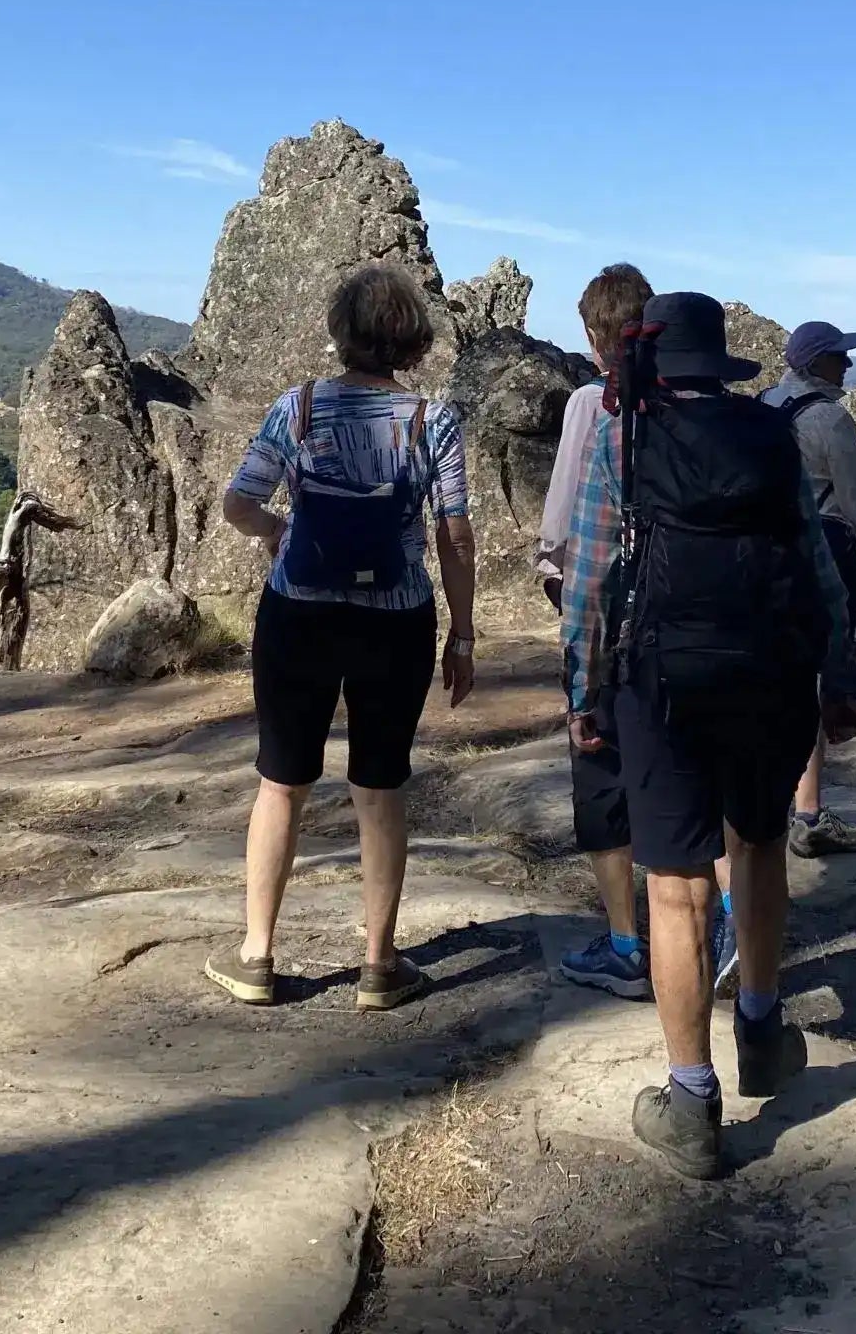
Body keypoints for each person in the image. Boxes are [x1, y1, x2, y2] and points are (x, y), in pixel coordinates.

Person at [560, 291, 850, 1179]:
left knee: (678, 890)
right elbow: (814, 562)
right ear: (721, 368)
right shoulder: (770, 434)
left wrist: (583, 688)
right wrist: (837, 676)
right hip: (768, 678)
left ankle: (691, 1102)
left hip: (663, 686)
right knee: (757, 849)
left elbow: (591, 582)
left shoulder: (621, 436)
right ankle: (760, 1026)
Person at [208, 264, 479, 1012]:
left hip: (299, 614)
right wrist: (461, 635)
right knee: (380, 787)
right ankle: (378, 966)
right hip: (396, 621)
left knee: (282, 782)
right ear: (411, 340)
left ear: (341, 333)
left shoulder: (296, 410)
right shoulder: (434, 421)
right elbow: (455, 538)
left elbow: (239, 502)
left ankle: (258, 957)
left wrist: (280, 532)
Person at [537, 263, 656, 1000]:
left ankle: (625, 944)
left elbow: (564, 530)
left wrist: (577, 667)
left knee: (605, 784)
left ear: (590, 334)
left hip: (609, 619)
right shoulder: (687, 405)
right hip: (685, 622)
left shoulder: (593, 405)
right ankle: (725, 922)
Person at [761, 320, 856, 858]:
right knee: (821, 679)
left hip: (764, 559)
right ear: (816, 363)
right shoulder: (830, 419)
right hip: (821, 555)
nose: (847, 365)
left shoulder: (763, 403)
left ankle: (768, 804)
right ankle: (807, 813)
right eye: (838, 356)